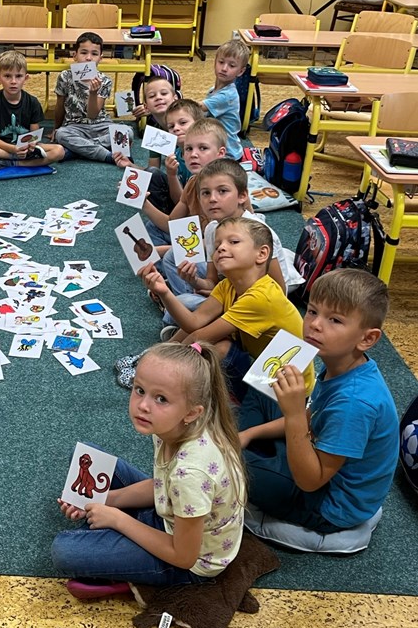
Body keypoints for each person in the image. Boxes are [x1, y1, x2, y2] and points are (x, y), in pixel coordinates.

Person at [52, 342, 246, 598]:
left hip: (189, 563)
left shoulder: (190, 474)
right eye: (139, 390)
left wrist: (118, 519)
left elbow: (184, 556)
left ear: (191, 413)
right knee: (86, 455)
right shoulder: (172, 426)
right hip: (175, 512)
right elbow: (161, 484)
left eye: (161, 399)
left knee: (63, 550)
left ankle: (136, 578)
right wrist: (104, 499)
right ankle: (113, 537)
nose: (143, 405)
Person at [239, 269, 400, 538]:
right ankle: (253, 447)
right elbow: (313, 417)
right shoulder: (342, 366)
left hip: (327, 504)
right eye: (312, 311)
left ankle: (253, 457)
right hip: (316, 454)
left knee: (229, 464)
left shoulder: (354, 402)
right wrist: (249, 433)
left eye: (334, 320)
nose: (314, 324)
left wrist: (293, 415)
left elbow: (310, 481)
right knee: (263, 388)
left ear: (367, 339)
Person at [145, 218, 313, 401]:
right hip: (262, 369)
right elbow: (194, 323)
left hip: (286, 393)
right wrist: (164, 292)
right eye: (217, 245)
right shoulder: (227, 285)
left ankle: (174, 380)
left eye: (233, 242)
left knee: (218, 346)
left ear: (262, 254)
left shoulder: (261, 297)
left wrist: (161, 364)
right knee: (208, 335)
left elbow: (199, 336)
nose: (221, 248)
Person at [155, 158, 302, 331]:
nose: (212, 199)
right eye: (205, 193)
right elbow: (212, 281)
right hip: (228, 289)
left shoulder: (259, 232)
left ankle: (188, 313)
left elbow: (279, 293)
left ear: (242, 196)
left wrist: (222, 301)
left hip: (253, 305)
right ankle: (190, 309)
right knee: (172, 257)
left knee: (180, 305)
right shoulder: (212, 228)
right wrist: (194, 281)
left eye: (222, 191)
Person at [0, 49, 66, 173]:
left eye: (18, 76)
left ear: (26, 78)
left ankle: (11, 163)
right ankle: (13, 158)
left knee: (59, 151)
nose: (13, 81)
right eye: (7, 76)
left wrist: (31, 146)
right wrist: (13, 150)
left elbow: (34, 136)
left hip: (25, 148)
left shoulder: (33, 102)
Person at [141, 117, 228, 247]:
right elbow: (172, 223)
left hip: (221, 249)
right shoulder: (192, 182)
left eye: (203, 148)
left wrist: (170, 250)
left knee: (169, 256)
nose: (193, 154)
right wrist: (143, 203)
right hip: (196, 241)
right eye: (188, 149)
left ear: (220, 153)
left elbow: (233, 237)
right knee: (152, 227)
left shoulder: (229, 185)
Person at [53, 32, 128, 162]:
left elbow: (92, 115)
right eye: (83, 53)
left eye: (94, 54)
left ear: (100, 58)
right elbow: (60, 104)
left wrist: (93, 93)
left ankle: (77, 150)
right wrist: (56, 128)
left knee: (127, 131)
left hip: (101, 125)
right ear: (75, 55)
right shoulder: (65, 76)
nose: (88, 58)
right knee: (61, 134)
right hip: (75, 126)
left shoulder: (105, 81)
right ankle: (107, 156)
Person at [202, 38, 248, 160]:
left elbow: (198, 108)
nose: (224, 68)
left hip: (228, 154)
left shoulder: (227, 96)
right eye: (221, 62)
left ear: (241, 71)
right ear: (215, 62)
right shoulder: (213, 90)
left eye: (231, 65)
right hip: (216, 144)